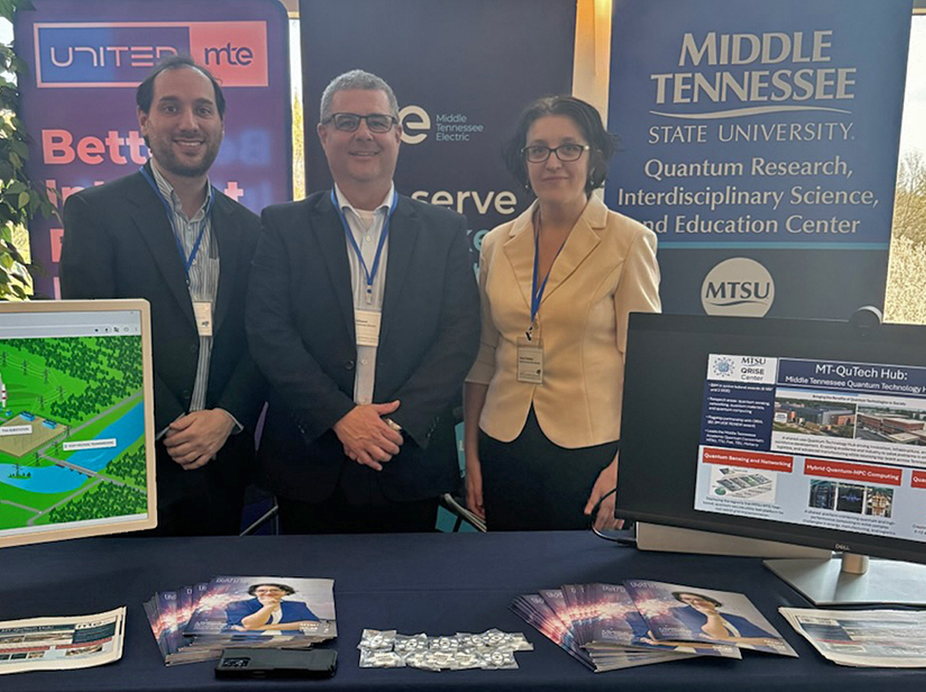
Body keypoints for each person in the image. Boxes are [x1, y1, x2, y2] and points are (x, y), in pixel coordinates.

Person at [246, 69, 479, 534]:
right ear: (323, 133)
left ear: (398, 132)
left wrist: (395, 426)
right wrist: (340, 417)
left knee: (406, 601)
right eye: (347, 120)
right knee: (308, 602)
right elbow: (268, 330)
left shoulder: (444, 230)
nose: (363, 134)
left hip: (406, 457)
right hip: (310, 461)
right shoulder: (282, 226)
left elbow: (460, 334)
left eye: (376, 121)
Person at [60, 55, 265, 536]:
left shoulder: (251, 228)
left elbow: (264, 336)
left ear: (219, 123)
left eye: (203, 109)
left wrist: (227, 418)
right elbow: (96, 339)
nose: (189, 123)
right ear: (144, 122)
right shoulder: (95, 212)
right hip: (130, 458)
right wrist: (170, 422)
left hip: (222, 461)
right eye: (171, 108)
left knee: (216, 603)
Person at [463, 95, 661, 531]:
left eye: (569, 147)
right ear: (525, 160)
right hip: (504, 444)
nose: (553, 162)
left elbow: (647, 369)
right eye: (539, 150)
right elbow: (483, 353)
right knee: (508, 581)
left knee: (583, 594)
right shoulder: (497, 242)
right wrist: (472, 455)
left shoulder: (628, 241)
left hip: (590, 452)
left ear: (593, 157)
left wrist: (624, 467)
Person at [669, 591, 781, 647]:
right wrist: (712, 616)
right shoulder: (684, 615)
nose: (697, 602)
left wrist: (728, 640)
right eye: (689, 600)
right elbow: (715, 637)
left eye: (700, 599)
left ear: (713, 602)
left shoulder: (736, 619)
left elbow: (772, 641)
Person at [225, 583, 320, 631]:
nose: (269, 593)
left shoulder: (297, 606)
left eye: (275, 590)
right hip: (247, 645)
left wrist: (266, 627)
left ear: (285, 593)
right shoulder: (238, 605)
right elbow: (249, 625)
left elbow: (314, 624)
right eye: (262, 590)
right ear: (254, 593)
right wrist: (269, 607)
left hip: (291, 643)